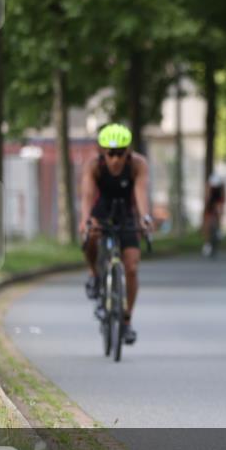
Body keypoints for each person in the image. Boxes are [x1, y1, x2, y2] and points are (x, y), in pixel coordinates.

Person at [79, 123, 153, 345]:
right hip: (101, 210)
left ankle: (127, 320)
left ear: (128, 151)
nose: (115, 159)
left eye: (121, 153)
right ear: (102, 151)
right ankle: (93, 274)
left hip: (127, 213)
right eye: (110, 153)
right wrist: (86, 220)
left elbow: (140, 193)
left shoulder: (138, 165)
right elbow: (87, 195)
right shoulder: (94, 166)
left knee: (131, 267)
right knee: (90, 235)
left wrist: (145, 218)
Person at [202, 172, 226, 256]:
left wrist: (221, 210)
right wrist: (206, 207)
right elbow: (207, 199)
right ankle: (207, 244)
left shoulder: (222, 186)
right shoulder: (208, 186)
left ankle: (219, 229)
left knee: (219, 210)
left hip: (218, 201)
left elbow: (223, 199)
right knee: (207, 221)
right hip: (210, 202)